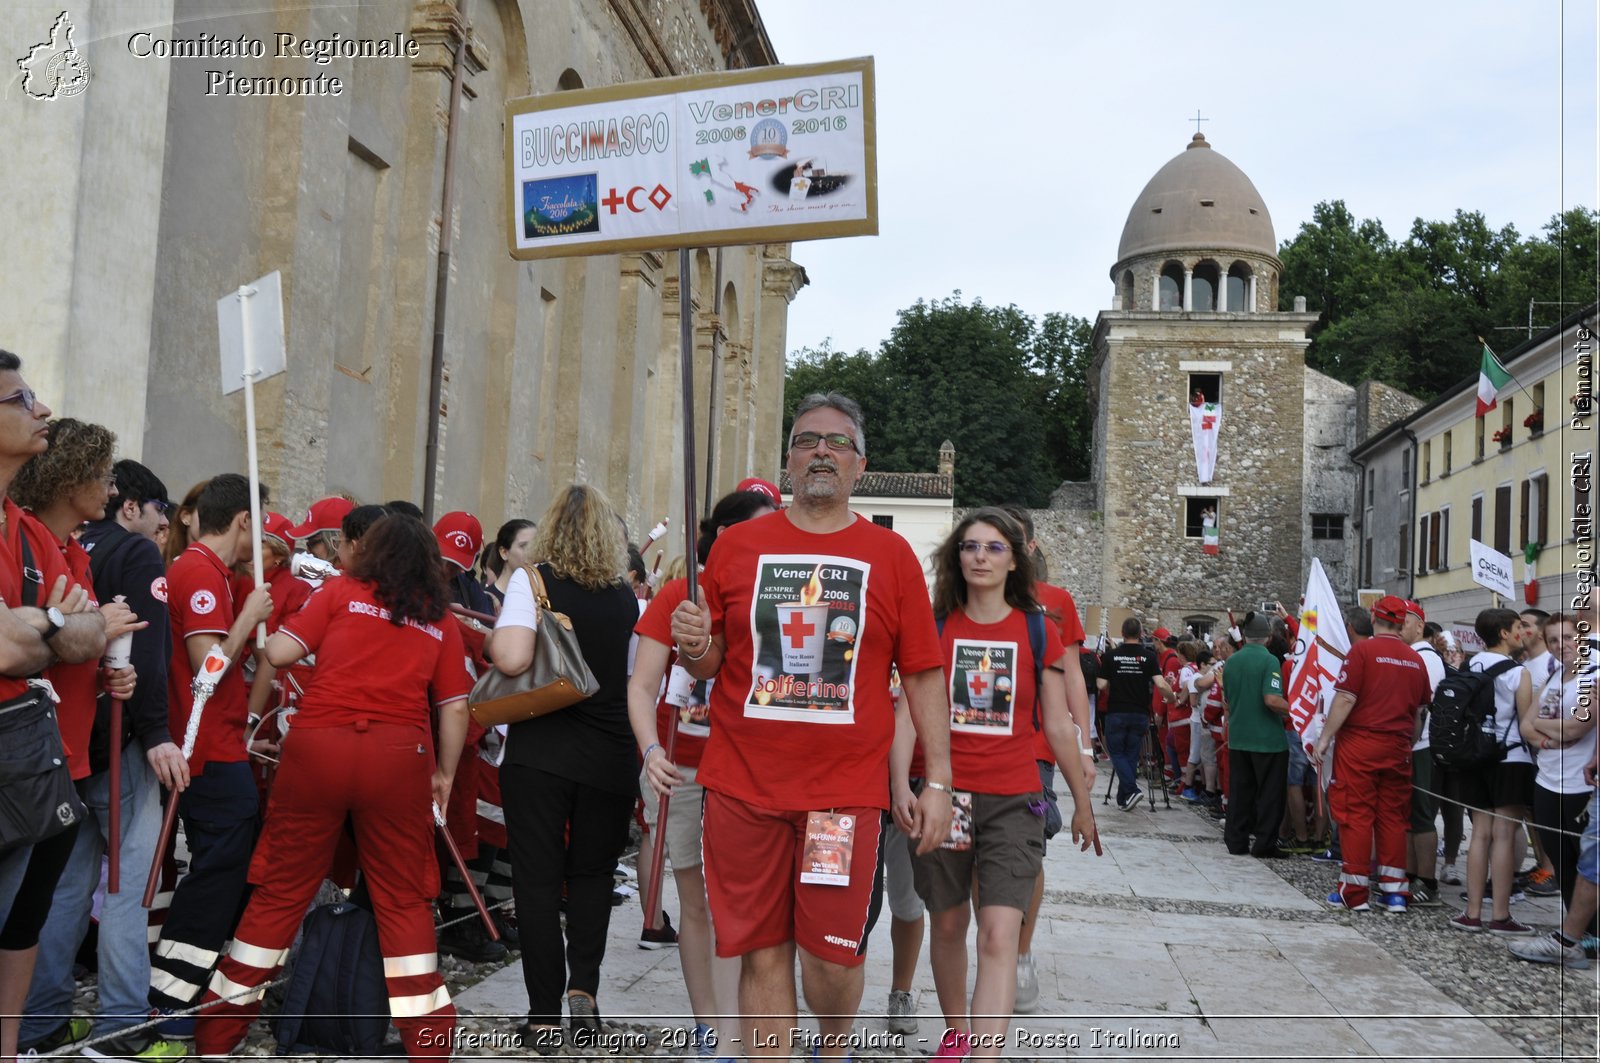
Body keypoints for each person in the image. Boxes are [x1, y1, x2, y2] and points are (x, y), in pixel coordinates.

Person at [669, 392, 954, 1062]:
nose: (820, 450)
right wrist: (691, 645)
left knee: (828, 959)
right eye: (805, 440)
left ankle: (833, 1047)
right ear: (790, 461)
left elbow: (920, 675)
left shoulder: (890, 556)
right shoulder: (737, 546)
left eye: (836, 441)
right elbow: (714, 660)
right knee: (763, 951)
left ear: (860, 465)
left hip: (841, 801)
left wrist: (938, 778)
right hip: (743, 791)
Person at [193, 514, 473, 1061]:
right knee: (401, 901)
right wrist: (445, 776)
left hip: (317, 747)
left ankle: (217, 1036)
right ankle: (431, 1047)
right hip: (398, 757)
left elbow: (278, 655)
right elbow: (455, 706)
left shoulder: (340, 591)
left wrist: (263, 619)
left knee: (280, 892)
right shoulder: (438, 617)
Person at [915, 508, 1098, 1063]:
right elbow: (909, 713)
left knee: (998, 933)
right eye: (971, 546)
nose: (981, 557)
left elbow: (1059, 724)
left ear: (1014, 558)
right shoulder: (936, 625)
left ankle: (985, 1052)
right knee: (948, 925)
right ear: (957, 556)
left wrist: (1083, 803)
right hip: (948, 795)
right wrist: (908, 785)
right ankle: (956, 1037)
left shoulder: (1037, 627)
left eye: (994, 548)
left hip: (1015, 798)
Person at [9, 425, 157, 1056]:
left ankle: (28, 1033)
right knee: (32, 904)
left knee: (35, 910)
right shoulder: (36, 539)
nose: (113, 487)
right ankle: (108, 1023)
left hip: (62, 751)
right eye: (102, 475)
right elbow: (36, 644)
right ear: (71, 481)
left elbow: (71, 639)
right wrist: (81, 630)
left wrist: (100, 662)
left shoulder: (68, 546)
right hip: (32, 753)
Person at [491, 485, 640, 1052]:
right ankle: (585, 993)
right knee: (593, 876)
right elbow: (631, 680)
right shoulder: (626, 598)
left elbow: (511, 658)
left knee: (535, 878)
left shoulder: (534, 583)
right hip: (610, 752)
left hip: (540, 753)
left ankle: (542, 1014)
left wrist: (488, 642)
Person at [631, 489, 775, 1059]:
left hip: (748, 770)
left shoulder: (769, 594)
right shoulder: (678, 594)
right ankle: (709, 1028)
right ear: (725, 535)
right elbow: (641, 686)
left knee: (742, 906)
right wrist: (649, 751)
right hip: (683, 766)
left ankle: (749, 1025)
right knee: (696, 901)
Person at [138, 473, 275, 1041]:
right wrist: (247, 619)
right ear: (243, 520)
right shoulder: (198, 571)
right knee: (218, 876)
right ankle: (169, 1001)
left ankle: (175, 987)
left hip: (218, 745)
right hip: (208, 751)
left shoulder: (211, 572)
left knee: (219, 871)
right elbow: (207, 672)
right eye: (260, 523)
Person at [0, 353, 108, 1063]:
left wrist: (33, 622)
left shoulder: (31, 533)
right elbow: (20, 651)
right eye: (22, 397)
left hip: (36, 762)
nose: (41, 409)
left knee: (24, 917)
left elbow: (87, 631)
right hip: (25, 752)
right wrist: (50, 623)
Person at [997, 504, 1093, 1015]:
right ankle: (997, 946)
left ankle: (1019, 953)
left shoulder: (1056, 601)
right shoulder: (965, 597)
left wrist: (1082, 744)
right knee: (978, 858)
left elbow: (1073, 675)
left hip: (1035, 748)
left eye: (1010, 540)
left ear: (1028, 548)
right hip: (973, 746)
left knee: (1026, 854)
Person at [1312, 596, 1433, 912]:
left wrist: (1325, 739)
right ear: (1401, 623)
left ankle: (1354, 891)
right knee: (1393, 817)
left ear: (1375, 617)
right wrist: (1408, 742)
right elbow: (1420, 713)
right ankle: (1395, 892)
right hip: (1398, 746)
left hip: (1361, 744)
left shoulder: (1362, 652)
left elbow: (1345, 699)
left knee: (1356, 815)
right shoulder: (1414, 659)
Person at [1446, 608, 1536, 936]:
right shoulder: (1518, 673)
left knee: (1480, 835)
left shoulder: (1467, 667)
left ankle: (1471, 913)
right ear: (1503, 633)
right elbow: (1526, 723)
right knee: (1504, 835)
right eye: (1517, 627)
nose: (1521, 633)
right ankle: (1500, 915)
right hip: (1511, 758)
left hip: (1474, 758)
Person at [1518, 613, 1598, 926]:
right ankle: (1574, 926)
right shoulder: (1554, 677)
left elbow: (1575, 729)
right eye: (1553, 640)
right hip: (1548, 781)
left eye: (1566, 637)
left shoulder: (1593, 674)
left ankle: (1593, 930)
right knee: (1559, 858)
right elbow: (1525, 726)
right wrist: (1549, 740)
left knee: (1585, 862)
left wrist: (1542, 725)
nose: (1560, 645)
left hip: (1581, 784)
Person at [1510, 740, 1599, 968]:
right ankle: (1570, 940)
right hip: (1560, 778)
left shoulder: (1585, 702)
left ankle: (1568, 941)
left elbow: (1579, 722)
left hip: (1575, 780)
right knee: (1588, 858)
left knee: (1592, 858)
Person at [1221, 611, 1290, 858]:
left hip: (1239, 735)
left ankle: (1236, 841)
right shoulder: (1270, 661)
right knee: (1269, 795)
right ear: (1268, 638)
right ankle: (1264, 843)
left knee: (1240, 792)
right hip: (1267, 739)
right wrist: (1295, 709)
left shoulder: (1231, 662)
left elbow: (1227, 700)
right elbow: (1271, 699)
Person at [1098, 617, 1175, 811]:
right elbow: (1160, 683)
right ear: (1141, 635)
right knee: (1131, 754)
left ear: (1122, 634)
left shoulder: (1111, 656)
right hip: (1140, 712)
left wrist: (1112, 688)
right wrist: (1173, 698)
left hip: (1117, 711)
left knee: (1116, 753)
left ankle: (1131, 790)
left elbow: (1100, 684)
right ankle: (1124, 799)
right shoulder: (1149, 656)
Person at [1400, 600, 1447, 906]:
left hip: (1422, 744)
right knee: (1409, 814)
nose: (1399, 627)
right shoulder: (1413, 655)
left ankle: (1427, 881)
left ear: (1420, 626)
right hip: (1413, 744)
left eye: (1404, 622)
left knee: (1422, 815)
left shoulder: (1425, 658)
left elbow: (1421, 706)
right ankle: (1409, 875)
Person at [287, 496, 354, 566]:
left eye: (313, 543)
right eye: (308, 543)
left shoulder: (353, 575)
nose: (308, 551)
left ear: (336, 542)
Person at [484, 518, 536, 608]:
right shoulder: (486, 601)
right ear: (504, 552)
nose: (532, 552)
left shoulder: (542, 598)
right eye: (524, 546)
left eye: (536, 546)